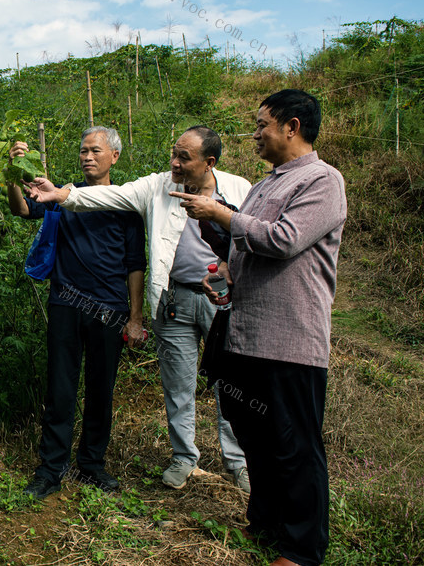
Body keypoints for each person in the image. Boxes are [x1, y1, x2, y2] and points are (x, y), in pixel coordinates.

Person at [24, 126, 252, 493]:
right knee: (176, 387)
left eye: (184, 158)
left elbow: (255, 236)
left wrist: (133, 316)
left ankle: (239, 463)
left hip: (219, 299)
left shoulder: (240, 188)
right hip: (169, 299)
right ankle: (182, 458)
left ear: (209, 162)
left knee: (229, 382)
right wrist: (59, 193)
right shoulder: (155, 188)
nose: (175, 163)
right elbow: (101, 198)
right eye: (173, 155)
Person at [175, 90, 346, 566]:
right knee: (253, 431)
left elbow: (285, 240)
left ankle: (301, 549)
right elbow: (244, 243)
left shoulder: (322, 181)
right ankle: (268, 521)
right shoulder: (266, 183)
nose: (255, 133)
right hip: (244, 333)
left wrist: (222, 214)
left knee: (295, 444)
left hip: (289, 338)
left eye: (261, 124)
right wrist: (223, 262)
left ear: (291, 127)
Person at [9, 126, 146, 500]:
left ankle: (91, 465)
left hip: (109, 309)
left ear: (114, 157)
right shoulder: (59, 195)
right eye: (83, 150)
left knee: (101, 390)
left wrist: (135, 317)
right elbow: (23, 209)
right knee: (61, 389)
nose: (87, 157)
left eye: (95, 151)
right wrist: (13, 173)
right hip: (66, 303)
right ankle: (51, 469)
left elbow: (136, 264)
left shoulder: (126, 202)